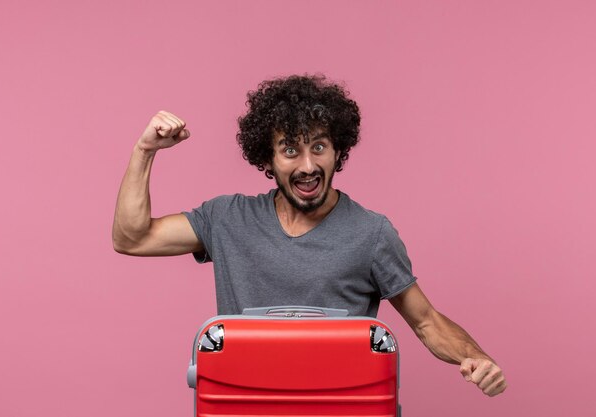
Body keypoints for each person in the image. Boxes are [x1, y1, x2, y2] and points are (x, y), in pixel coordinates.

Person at [112, 74, 507, 397]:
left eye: (319, 146)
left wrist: (476, 359)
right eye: (290, 150)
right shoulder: (227, 219)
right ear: (267, 158)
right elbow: (132, 238)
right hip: (245, 404)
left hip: (339, 405)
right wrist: (145, 151)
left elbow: (426, 321)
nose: (307, 165)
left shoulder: (371, 233)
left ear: (338, 151)